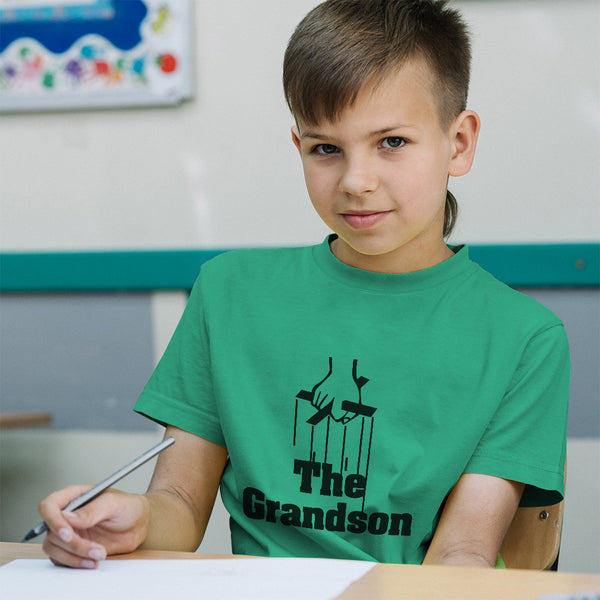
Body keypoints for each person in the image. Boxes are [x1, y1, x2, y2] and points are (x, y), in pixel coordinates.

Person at [38, 0, 569, 570]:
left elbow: (462, 552)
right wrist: (135, 518)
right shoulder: (228, 293)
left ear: (458, 143)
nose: (355, 181)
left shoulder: (525, 338)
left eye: (391, 142)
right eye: (326, 148)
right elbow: (180, 505)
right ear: (299, 148)